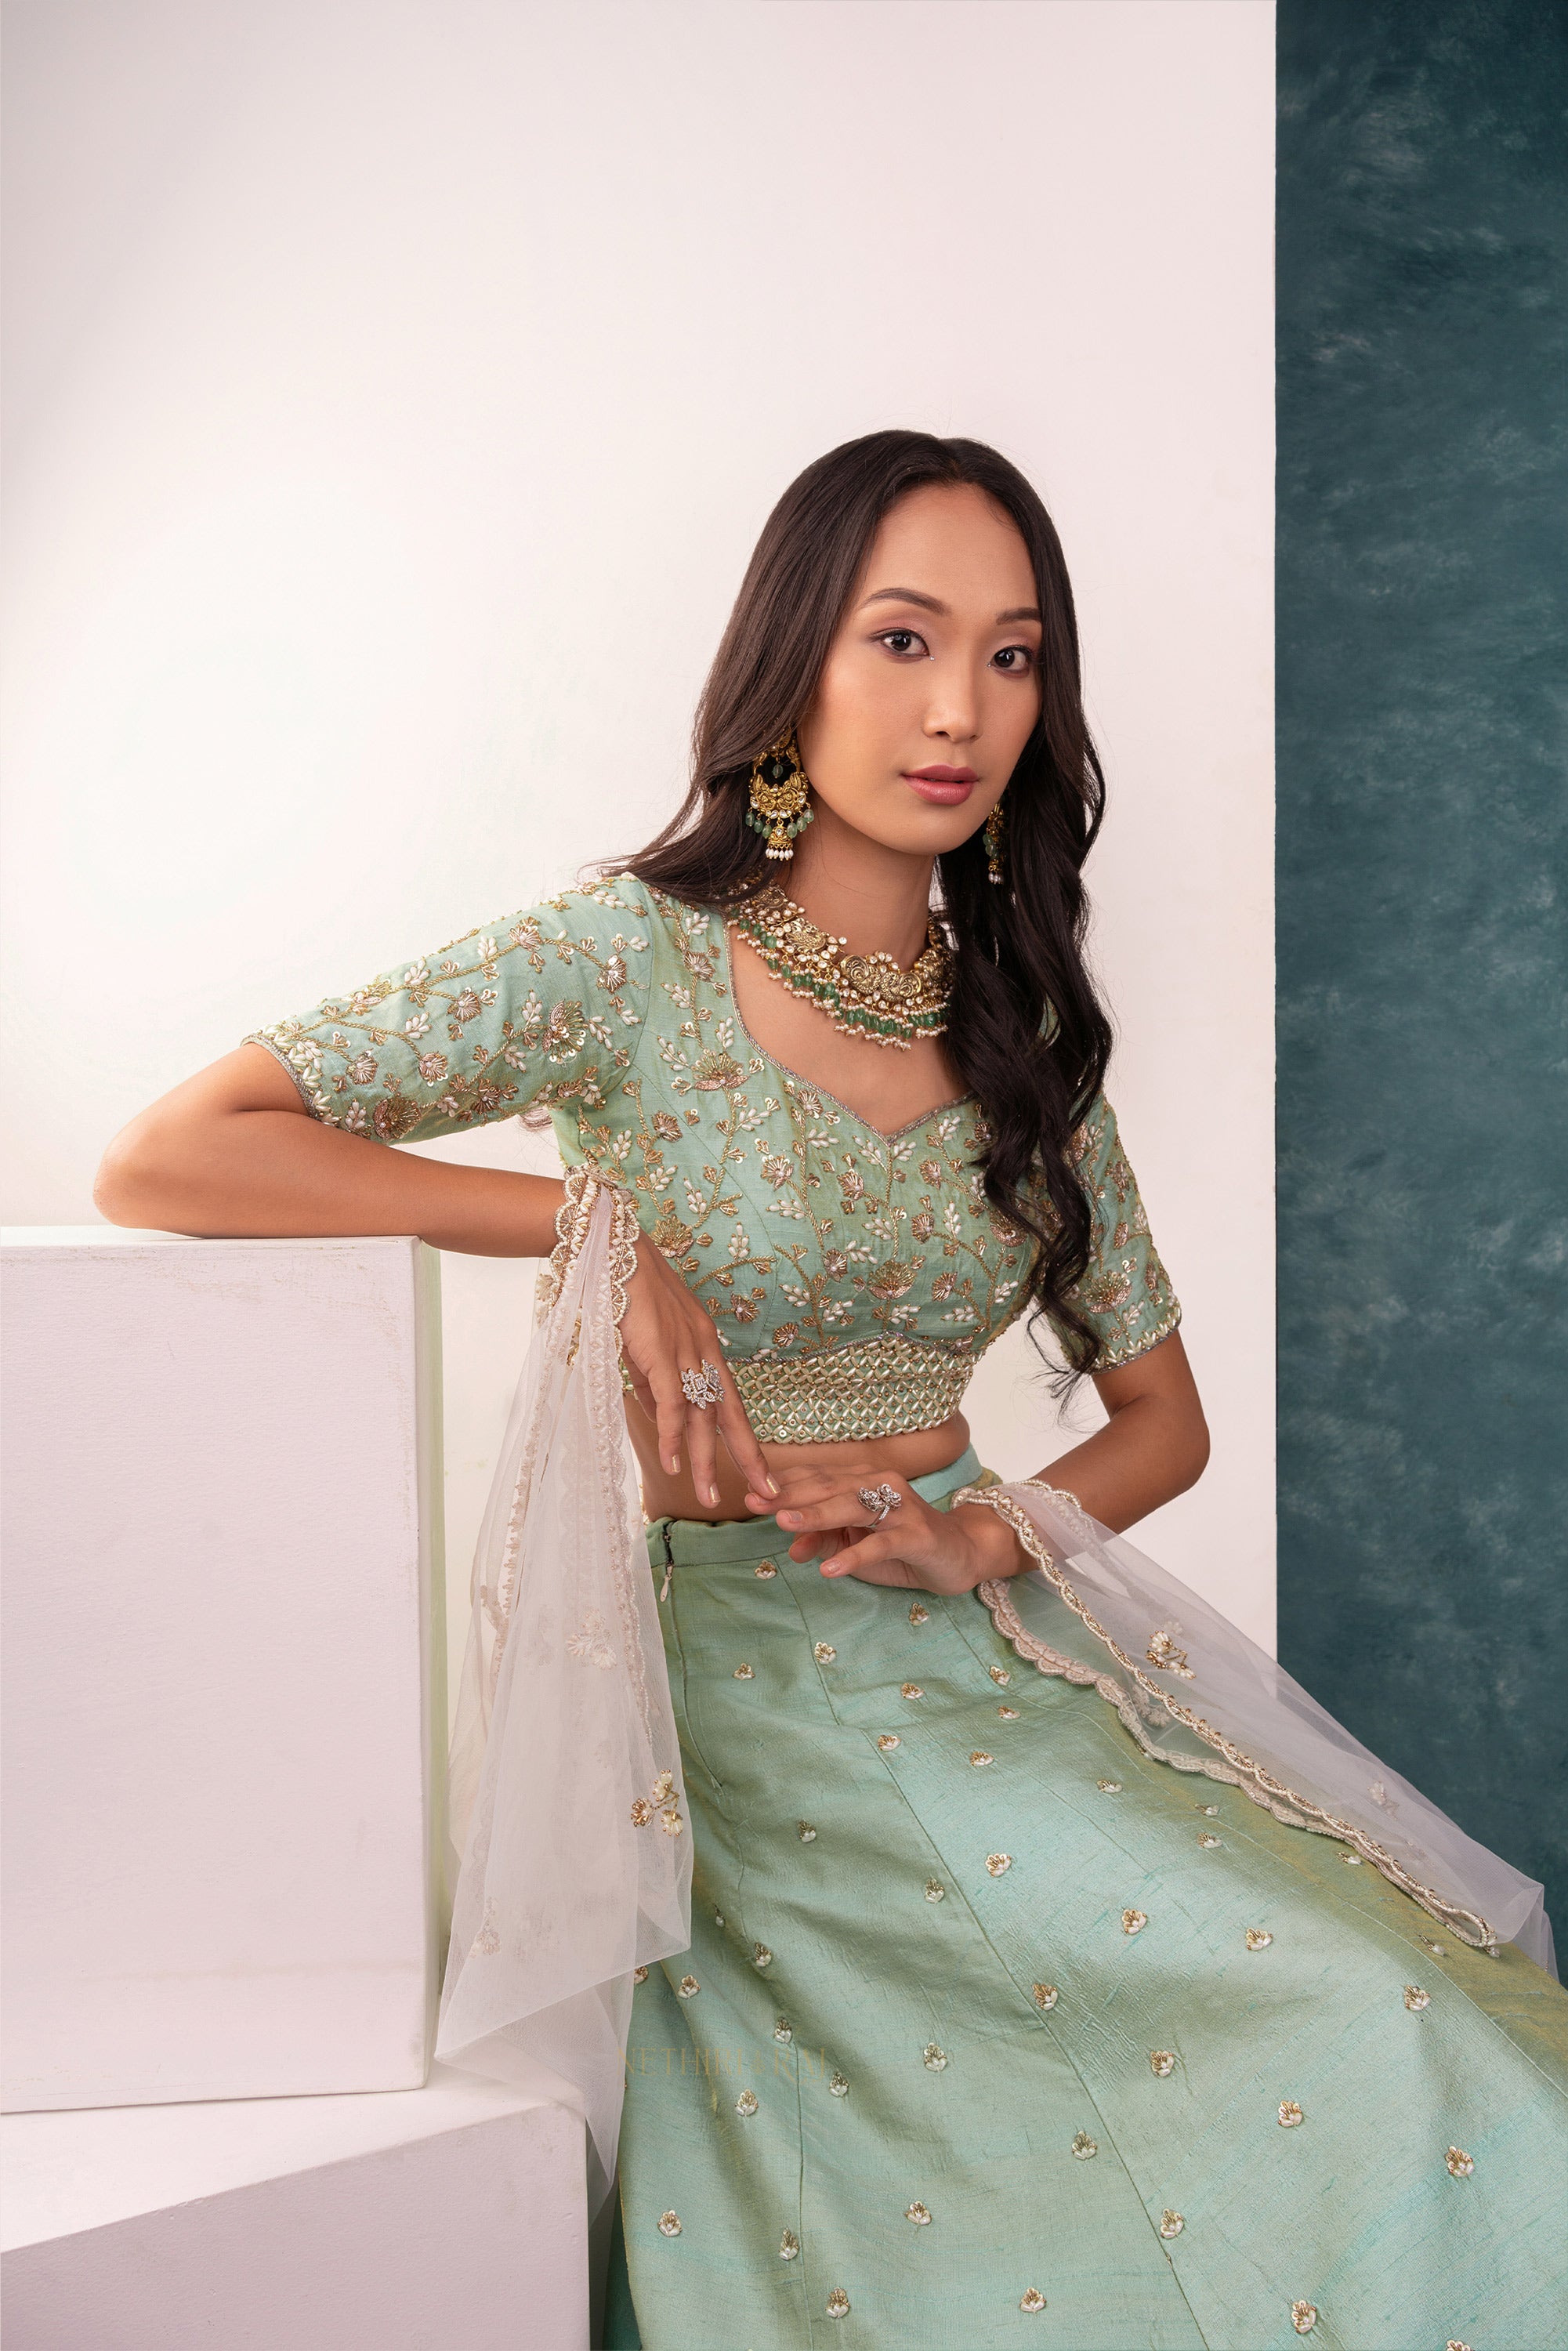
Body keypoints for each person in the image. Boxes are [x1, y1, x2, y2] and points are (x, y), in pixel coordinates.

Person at [96, 432, 1567, 2350]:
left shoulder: (1019, 1034)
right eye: (902, 639)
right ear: (790, 662)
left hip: (1008, 1667)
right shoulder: (620, 965)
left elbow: (1163, 1423)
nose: (959, 710)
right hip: (739, 1698)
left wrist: (984, 1539)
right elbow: (178, 1153)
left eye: (1012, 656)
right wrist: (593, 1225)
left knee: (1411, 2017)